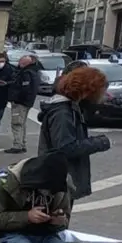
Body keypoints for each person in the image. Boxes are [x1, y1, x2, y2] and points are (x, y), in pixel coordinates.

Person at [38, 65, 111, 200]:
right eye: (101, 90)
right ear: (89, 90)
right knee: (56, 218)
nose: (103, 95)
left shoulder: (70, 108)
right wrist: (99, 142)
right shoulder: (63, 113)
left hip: (62, 179)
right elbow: (65, 147)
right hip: (59, 180)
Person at [7, 53, 40, 155]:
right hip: (27, 103)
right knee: (22, 123)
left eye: (21, 61)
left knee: (16, 123)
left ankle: (17, 145)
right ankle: (22, 144)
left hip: (20, 103)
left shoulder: (26, 73)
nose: (19, 63)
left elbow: (24, 89)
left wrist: (16, 99)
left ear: (25, 63)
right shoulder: (33, 72)